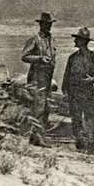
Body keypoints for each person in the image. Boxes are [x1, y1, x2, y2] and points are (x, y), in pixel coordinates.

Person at [61, 27, 94, 152]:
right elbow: (66, 77)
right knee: (76, 120)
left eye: (77, 39)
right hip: (75, 95)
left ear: (83, 41)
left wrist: (91, 80)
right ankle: (80, 145)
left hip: (90, 94)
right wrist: (65, 92)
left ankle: (92, 146)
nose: (74, 41)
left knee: (91, 120)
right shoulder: (72, 58)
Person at [21, 12, 57, 146]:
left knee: (46, 107)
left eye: (50, 24)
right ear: (41, 25)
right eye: (46, 24)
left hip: (47, 78)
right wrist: (39, 59)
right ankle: (36, 137)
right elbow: (24, 56)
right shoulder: (34, 39)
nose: (48, 27)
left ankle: (39, 135)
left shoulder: (51, 40)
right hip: (36, 78)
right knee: (38, 108)